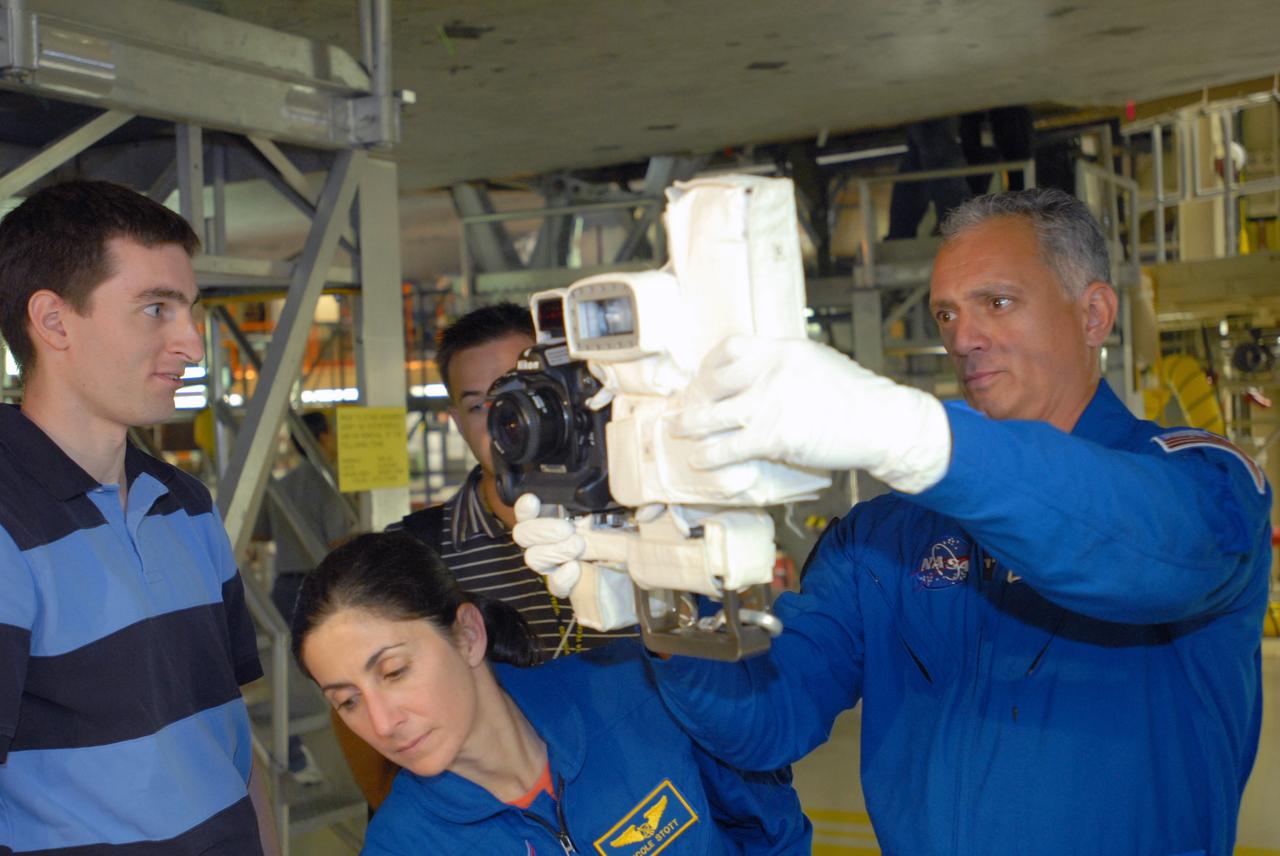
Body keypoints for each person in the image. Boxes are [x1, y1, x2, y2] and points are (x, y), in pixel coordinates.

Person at [518, 188, 1273, 855]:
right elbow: (770, 716)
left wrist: (910, 435)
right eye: (948, 312)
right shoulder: (884, 538)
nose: (963, 336)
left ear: (1094, 313)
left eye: (997, 302)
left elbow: (1144, 547)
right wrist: (660, 590)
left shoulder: (1205, 481)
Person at [0, 181, 277, 853]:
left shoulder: (187, 505)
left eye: (190, 310)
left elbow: (227, 733)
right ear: (54, 321)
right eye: (156, 309)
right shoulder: (8, 522)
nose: (192, 344)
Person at [292, 531, 810, 855]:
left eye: (394, 671)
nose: (382, 724)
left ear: (468, 635)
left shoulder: (638, 693)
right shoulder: (402, 845)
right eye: (348, 701)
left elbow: (770, 828)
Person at [259, 409, 351, 785]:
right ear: (322, 437)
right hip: (318, 588)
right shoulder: (329, 483)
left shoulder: (283, 484)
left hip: (283, 589)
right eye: (333, 432)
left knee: (288, 682)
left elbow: (260, 532)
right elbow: (337, 541)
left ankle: (294, 756)